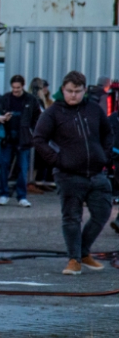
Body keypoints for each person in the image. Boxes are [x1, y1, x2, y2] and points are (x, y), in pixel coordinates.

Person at [33, 71, 113, 275]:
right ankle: (74, 259)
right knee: (71, 217)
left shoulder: (94, 109)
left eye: (77, 91)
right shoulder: (53, 112)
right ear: (63, 90)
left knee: (102, 213)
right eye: (69, 91)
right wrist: (57, 160)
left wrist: (104, 157)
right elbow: (39, 139)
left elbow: (107, 133)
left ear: (84, 91)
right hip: (68, 174)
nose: (73, 95)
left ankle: (83, 252)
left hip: (96, 172)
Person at [0, 75, 40, 207]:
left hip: (23, 138)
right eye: (14, 87)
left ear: (23, 86)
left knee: (23, 167)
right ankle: (4, 194)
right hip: (7, 138)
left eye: (18, 88)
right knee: (4, 165)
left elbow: (37, 117)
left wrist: (30, 131)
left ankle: (21, 196)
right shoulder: (5, 99)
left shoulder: (31, 100)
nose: (15, 90)